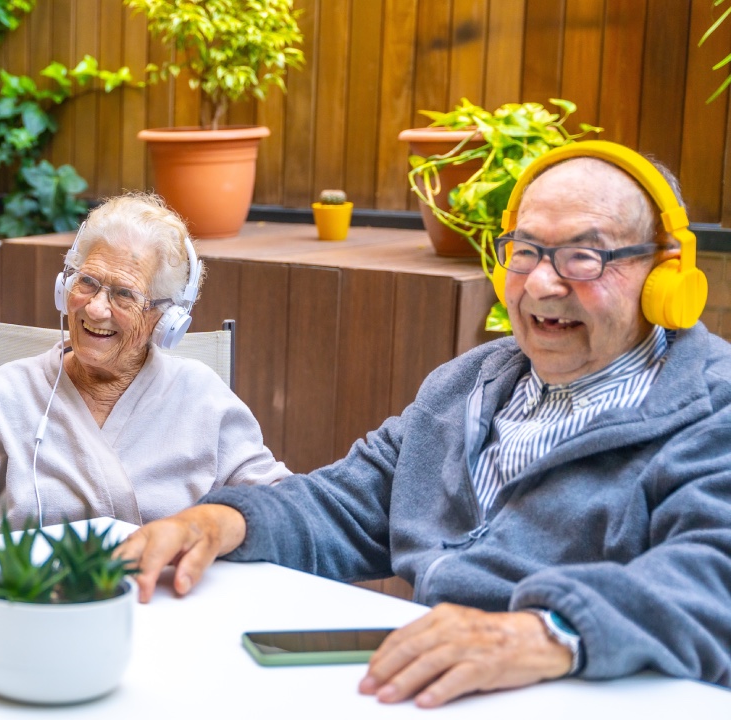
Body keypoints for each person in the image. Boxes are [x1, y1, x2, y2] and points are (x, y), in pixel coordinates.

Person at [118, 142, 731, 707]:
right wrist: (226, 519)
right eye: (524, 252)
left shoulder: (714, 407)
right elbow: (353, 503)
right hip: (433, 690)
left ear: (666, 273)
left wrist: (547, 632)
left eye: (583, 257)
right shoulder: (468, 384)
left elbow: (710, 580)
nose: (542, 283)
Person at [0, 193, 289, 554]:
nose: (95, 308)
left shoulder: (202, 398)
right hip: (25, 612)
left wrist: (215, 526)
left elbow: (282, 505)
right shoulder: (8, 394)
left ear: (166, 319)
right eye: (86, 282)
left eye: (125, 294)